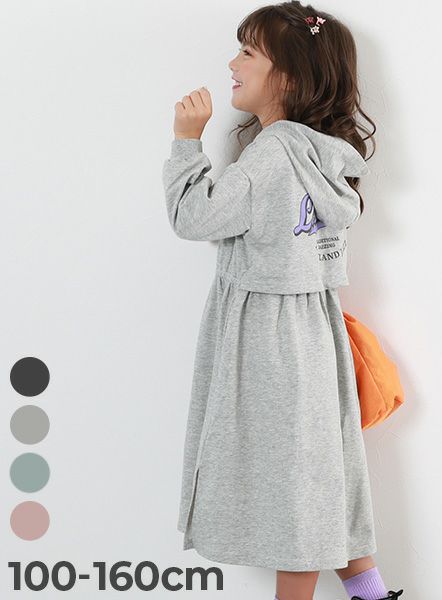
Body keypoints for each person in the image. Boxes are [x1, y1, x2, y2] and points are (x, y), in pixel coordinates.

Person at [162, 2, 403, 599]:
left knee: (293, 503)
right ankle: (371, 595)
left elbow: (195, 217)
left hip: (269, 344)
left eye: (247, 53)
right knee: (321, 479)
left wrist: (187, 142)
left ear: (288, 79)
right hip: (314, 333)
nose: (232, 63)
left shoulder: (273, 154)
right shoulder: (322, 156)